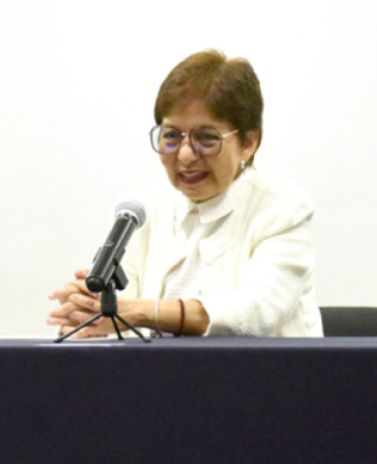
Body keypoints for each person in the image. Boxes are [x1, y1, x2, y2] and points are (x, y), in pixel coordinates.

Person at [48, 50, 322, 338]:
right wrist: (88, 312)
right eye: (171, 136)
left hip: (265, 378)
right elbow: (119, 316)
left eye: (206, 137)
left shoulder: (282, 207)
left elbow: (255, 314)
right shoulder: (140, 211)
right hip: (160, 379)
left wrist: (144, 312)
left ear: (248, 143)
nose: (186, 155)